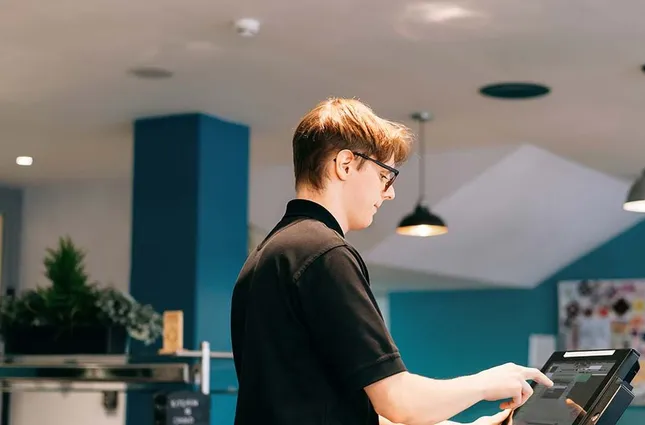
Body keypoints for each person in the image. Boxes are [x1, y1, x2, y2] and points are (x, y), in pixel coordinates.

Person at [230, 97, 555, 425]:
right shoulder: (325, 254)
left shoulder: (267, 256)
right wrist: (486, 383)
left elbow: (335, 406)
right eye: (386, 174)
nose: (390, 193)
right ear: (345, 165)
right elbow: (399, 401)